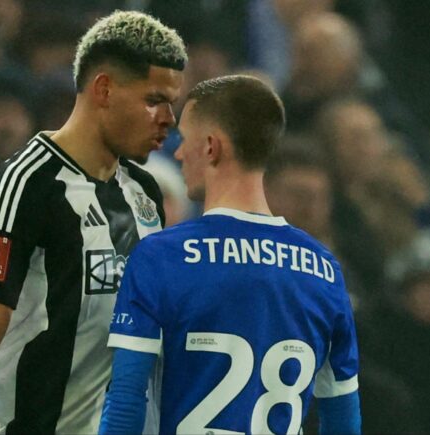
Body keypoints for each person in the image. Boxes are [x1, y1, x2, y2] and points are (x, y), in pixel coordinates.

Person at [0, 10, 186, 435]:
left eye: (172, 103)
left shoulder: (145, 193)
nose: (169, 118)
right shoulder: (23, 186)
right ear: (104, 89)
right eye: (154, 100)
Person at [99, 75, 360, 435]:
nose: (178, 153)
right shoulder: (324, 270)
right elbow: (343, 421)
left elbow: (126, 401)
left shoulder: (162, 256)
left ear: (211, 147)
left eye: (184, 139)